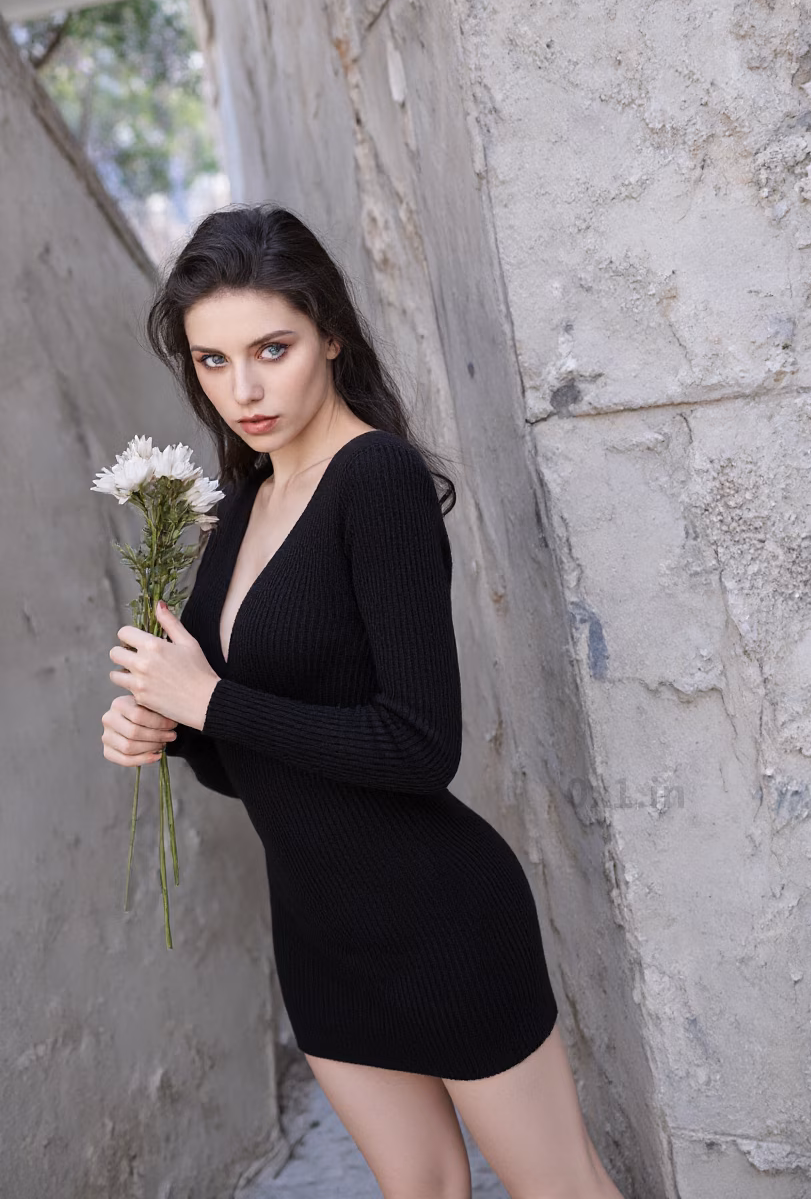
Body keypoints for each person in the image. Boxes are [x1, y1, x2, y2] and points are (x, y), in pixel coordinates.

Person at [101, 204, 625, 1199]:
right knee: (419, 1186)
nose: (243, 388)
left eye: (271, 348)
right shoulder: (245, 498)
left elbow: (420, 743)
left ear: (330, 333)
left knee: (558, 1183)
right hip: (318, 925)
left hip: (438, 917)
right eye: (212, 362)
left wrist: (209, 701)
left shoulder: (373, 477)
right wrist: (163, 728)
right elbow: (241, 753)